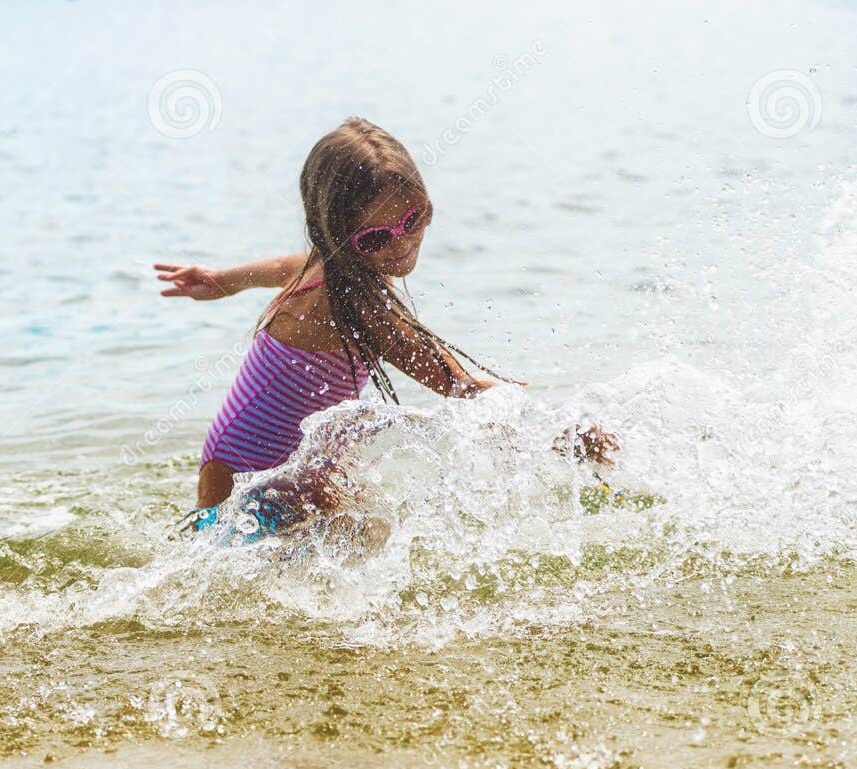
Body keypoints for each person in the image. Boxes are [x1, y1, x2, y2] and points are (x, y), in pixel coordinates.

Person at [156, 116, 613, 541]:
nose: (403, 242)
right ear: (335, 234)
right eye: (376, 238)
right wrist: (558, 429)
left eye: (414, 218)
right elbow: (459, 385)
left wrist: (224, 281)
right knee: (353, 547)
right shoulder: (359, 307)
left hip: (242, 458)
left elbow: (281, 265)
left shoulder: (334, 265)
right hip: (254, 476)